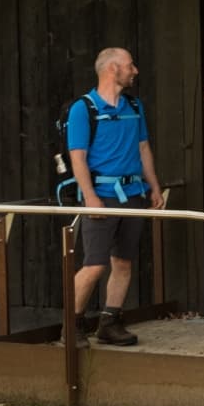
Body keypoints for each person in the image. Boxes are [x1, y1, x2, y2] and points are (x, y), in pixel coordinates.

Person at [67, 47, 164, 346]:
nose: (134, 70)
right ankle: (71, 325)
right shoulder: (83, 109)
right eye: (130, 65)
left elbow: (143, 148)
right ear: (112, 69)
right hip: (102, 196)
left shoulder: (134, 105)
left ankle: (110, 322)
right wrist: (91, 197)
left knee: (123, 262)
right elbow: (78, 158)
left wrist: (155, 188)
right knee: (94, 264)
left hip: (133, 194)